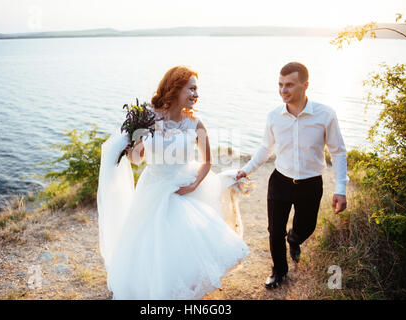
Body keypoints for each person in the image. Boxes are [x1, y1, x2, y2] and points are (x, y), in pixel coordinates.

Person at [97, 66, 250, 299]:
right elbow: (137, 159)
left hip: (183, 186)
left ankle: (184, 288)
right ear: (175, 87)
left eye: (197, 89)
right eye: (191, 88)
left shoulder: (195, 124)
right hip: (153, 187)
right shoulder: (148, 117)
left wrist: (193, 185)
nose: (196, 94)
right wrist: (130, 149)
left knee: (184, 242)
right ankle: (152, 287)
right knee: (150, 241)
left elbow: (207, 162)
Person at [236, 62, 348, 289]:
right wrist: (246, 169)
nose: (283, 90)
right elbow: (265, 149)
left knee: (306, 227)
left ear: (305, 85)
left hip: (310, 184)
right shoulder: (274, 116)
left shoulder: (325, 115)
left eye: (289, 85)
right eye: (280, 85)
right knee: (274, 231)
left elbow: (338, 152)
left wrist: (340, 189)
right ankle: (279, 271)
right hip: (280, 181)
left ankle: (294, 239)